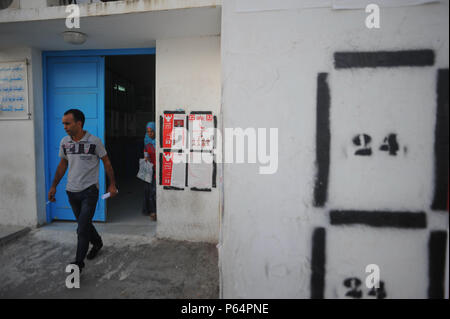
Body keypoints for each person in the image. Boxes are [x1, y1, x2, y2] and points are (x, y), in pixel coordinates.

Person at [48, 109, 118, 273]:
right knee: (83, 224)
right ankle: (98, 242)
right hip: (71, 192)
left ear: (78, 123)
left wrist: (112, 184)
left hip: (89, 191)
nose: (64, 126)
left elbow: (107, 163)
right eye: (63, 123)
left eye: (67, 123)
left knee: (81, 228)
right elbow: (62, 165)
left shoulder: (94, 142)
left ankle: (78, 263)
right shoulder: (65, 142)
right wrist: (53, 186)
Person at [142, 121, 157, 221]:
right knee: (148, 191)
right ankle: (152, 211)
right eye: (148, 132)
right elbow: (145, 153)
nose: (150, 133)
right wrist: (146, 158)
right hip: (149, 169)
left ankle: (154, 211)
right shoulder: (146, 141)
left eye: (151, 131)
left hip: (158, 169)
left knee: (154, 191)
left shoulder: (159, 142)